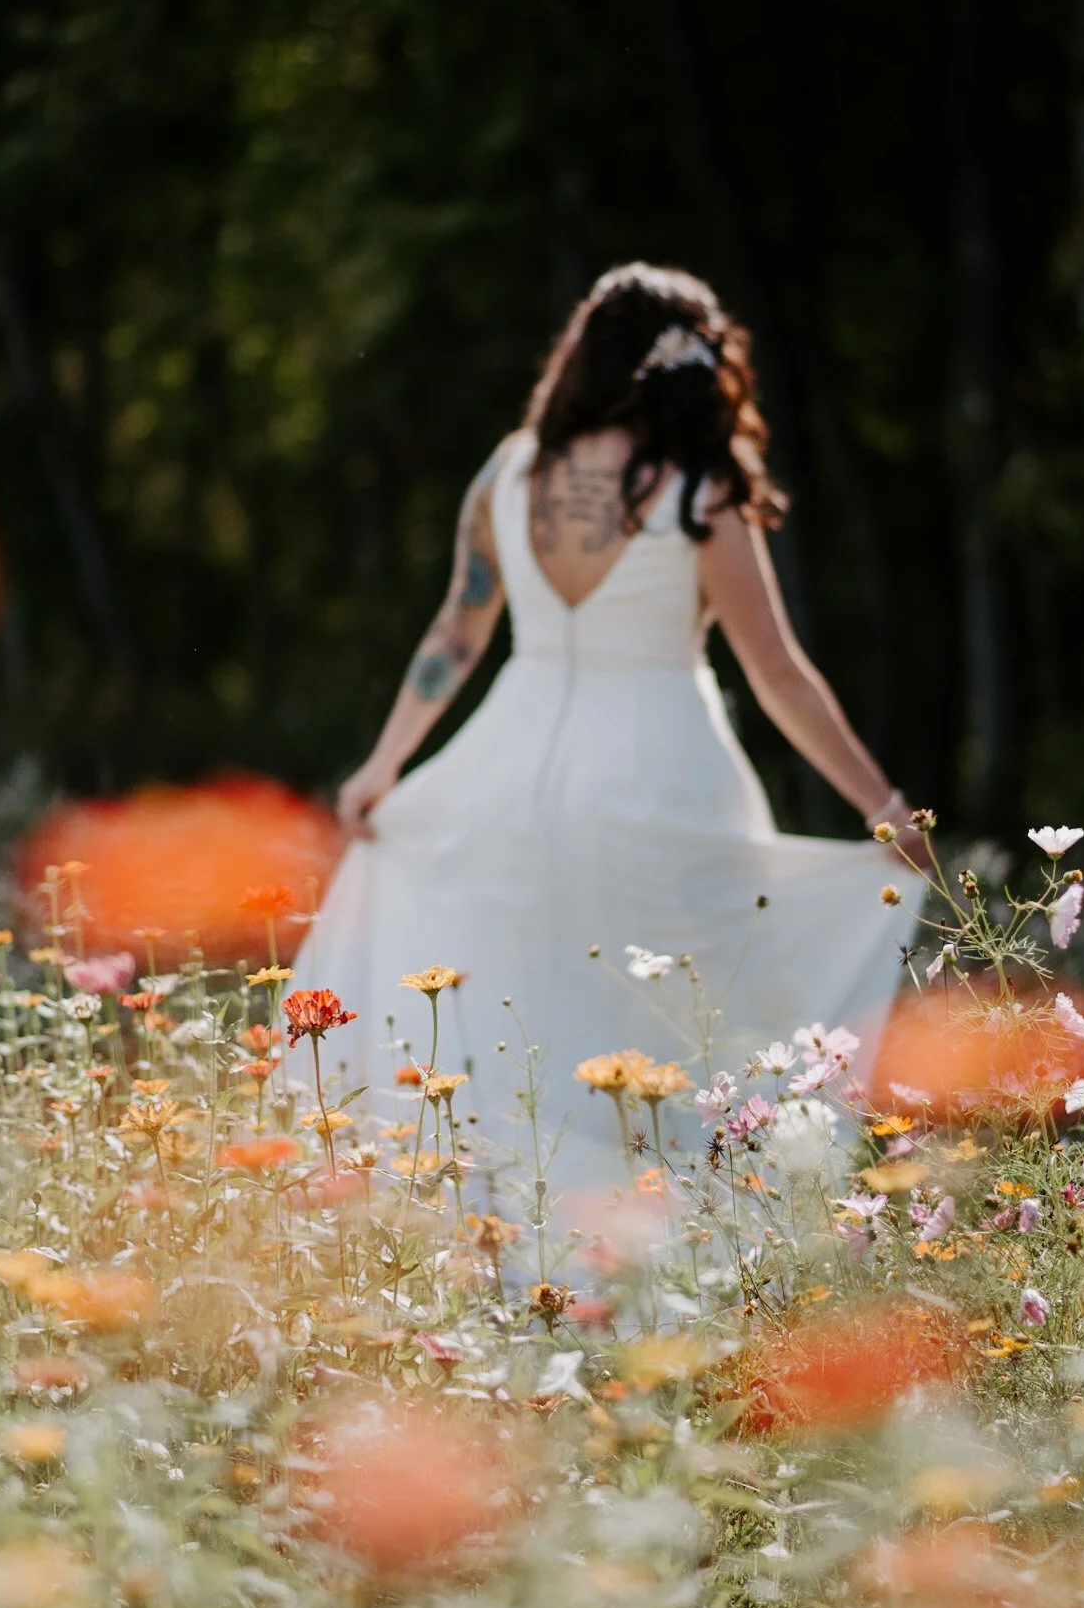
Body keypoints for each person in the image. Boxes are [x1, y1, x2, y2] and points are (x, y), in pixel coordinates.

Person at [296, 262, 922, 1185]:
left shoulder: (511, 472)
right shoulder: (697, 490)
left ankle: (526, 1227)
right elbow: (777, 673)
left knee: (526, 1009)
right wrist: (885, 806)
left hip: (504, 772)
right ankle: (672, 1243)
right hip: (658, 774)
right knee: (687, 1018)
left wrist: (383, 765)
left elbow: (457, 631)